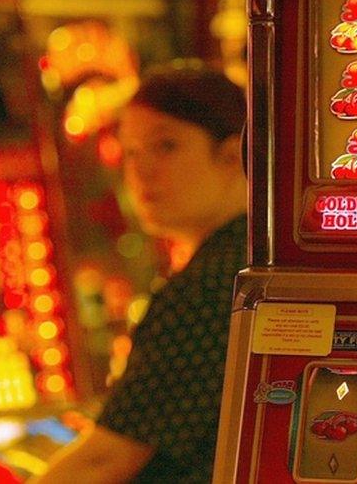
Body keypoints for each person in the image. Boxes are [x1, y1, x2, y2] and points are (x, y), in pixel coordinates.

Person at [32, 62, 248, 483]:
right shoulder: (251, 257)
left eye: (165, 146)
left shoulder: (209, 286)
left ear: (231, 153)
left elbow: (108, 459)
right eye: (131, 152)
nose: (140, 171)